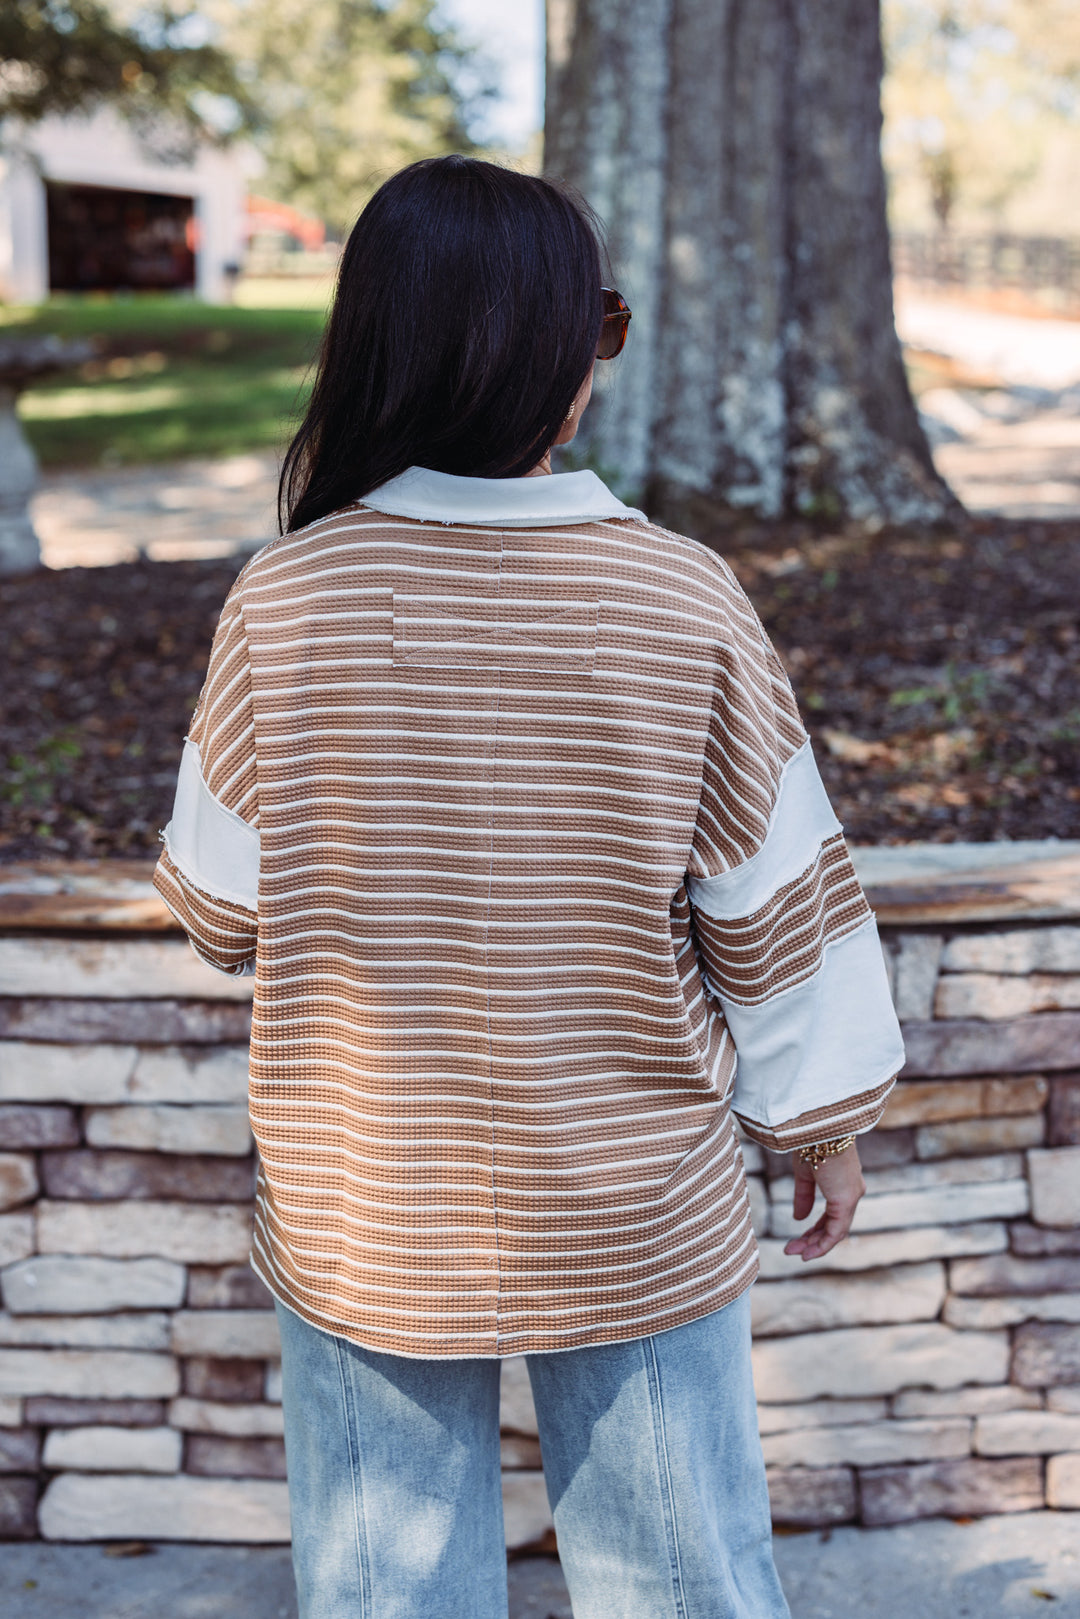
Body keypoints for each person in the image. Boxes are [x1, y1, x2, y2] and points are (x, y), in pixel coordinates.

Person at [154, 155, 904, 1619]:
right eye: (595, 325)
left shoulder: (285, 602)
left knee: (386, 1591)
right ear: (545, 357)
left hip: (369, 1198)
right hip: (639, 1195)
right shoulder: (682, 595)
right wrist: (821, 1120)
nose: (597, 359)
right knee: (682, 1584)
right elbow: (774, 898)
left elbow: (220, 909)